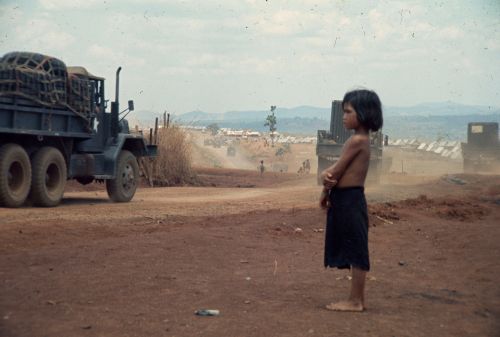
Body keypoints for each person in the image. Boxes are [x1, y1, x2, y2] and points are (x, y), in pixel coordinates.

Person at [319, 89, 383, 312]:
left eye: (348, 111)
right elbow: (335, 172)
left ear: (363, 113)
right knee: (354, 245)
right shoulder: (359, 140)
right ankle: (356, 299)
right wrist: (326, 182)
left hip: (350, 199)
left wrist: (324, 184)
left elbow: (335, 171)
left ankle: (356, 301)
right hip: (346, 198)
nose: (343, 117)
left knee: (356, 248)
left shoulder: (357, 140)